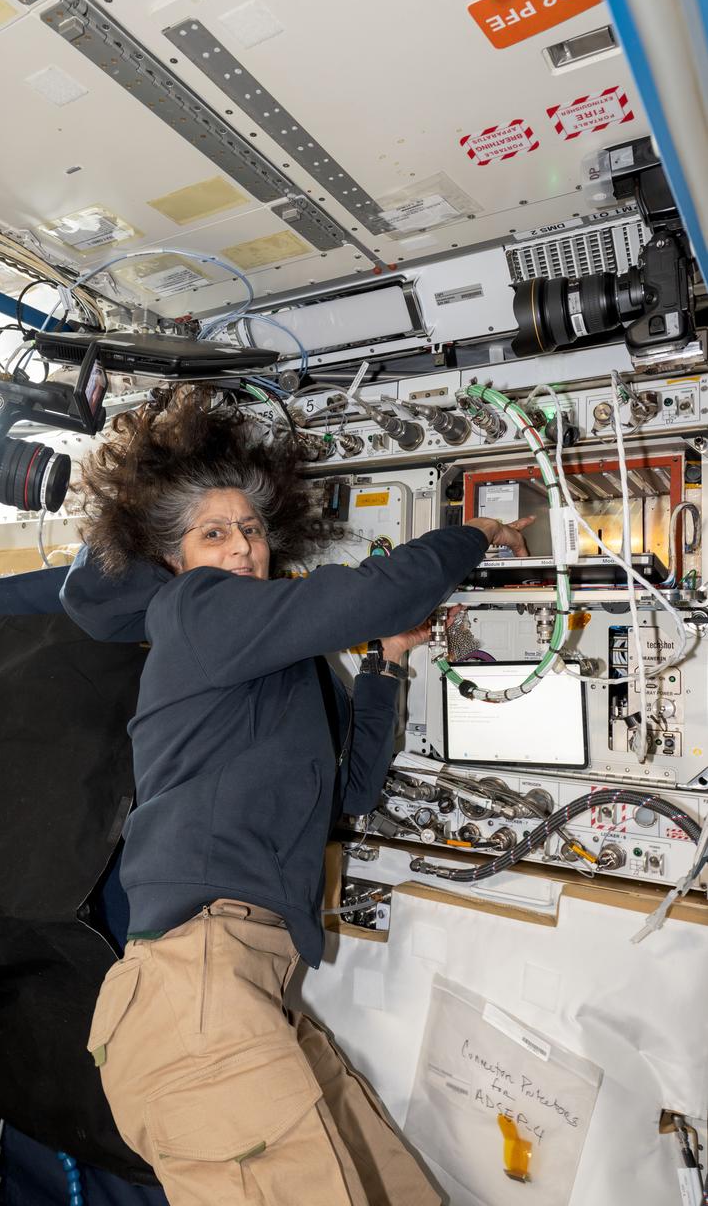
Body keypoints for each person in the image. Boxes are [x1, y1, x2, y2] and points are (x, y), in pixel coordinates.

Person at [60, 386, 531, 1205]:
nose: (243, 547)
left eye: (251, 530)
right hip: (193, 988)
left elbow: (350, 792)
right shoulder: (193, 609)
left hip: (248, 986)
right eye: (214, 533)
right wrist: (479, 529)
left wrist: (385, 662)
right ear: (172, 559)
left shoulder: (273, 663)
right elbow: (379, 587)